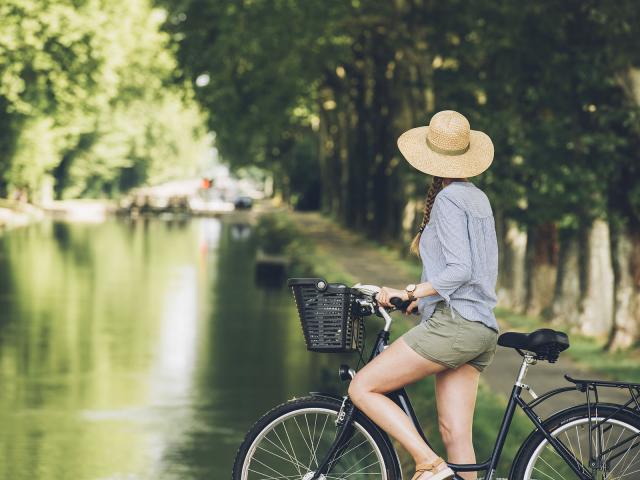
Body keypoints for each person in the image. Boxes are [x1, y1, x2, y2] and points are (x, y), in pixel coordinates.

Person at [348, 110, 499, 480]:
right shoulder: (477, 198)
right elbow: (468, 273)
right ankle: (440, 464)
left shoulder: (448, 201)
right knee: (456, 434)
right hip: (480, 328)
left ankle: (427, 462)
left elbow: (460, 270)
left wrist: (412, 289)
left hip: (456, 327)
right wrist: (421, 300)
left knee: (362, 386)